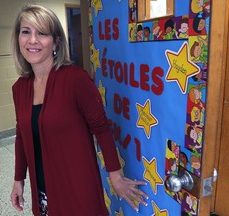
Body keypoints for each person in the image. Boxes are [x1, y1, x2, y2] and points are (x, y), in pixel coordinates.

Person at [10, 4, 148, 216]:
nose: (32, 40)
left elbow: (101, 127)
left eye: (42, 33)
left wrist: (115, 175)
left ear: (55, 42)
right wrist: (18, 180)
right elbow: (22, 136)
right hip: (43, 189)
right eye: (26, 32)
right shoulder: (20, 88)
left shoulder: (75, 79)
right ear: (18, 38)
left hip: (77, 186)